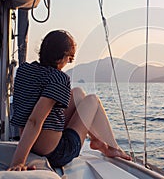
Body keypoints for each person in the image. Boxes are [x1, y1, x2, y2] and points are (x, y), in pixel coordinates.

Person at [8, 30, 131, 171]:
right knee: (92, 100)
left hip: (32, 144)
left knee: (78, 93)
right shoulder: (58, 78)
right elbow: (34, 120)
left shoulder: (24, 70)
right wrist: (18, 161)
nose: (68, 63)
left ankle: (97, 140)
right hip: (57, 153)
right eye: (69, 59)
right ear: (62, 57)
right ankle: (112, 147)